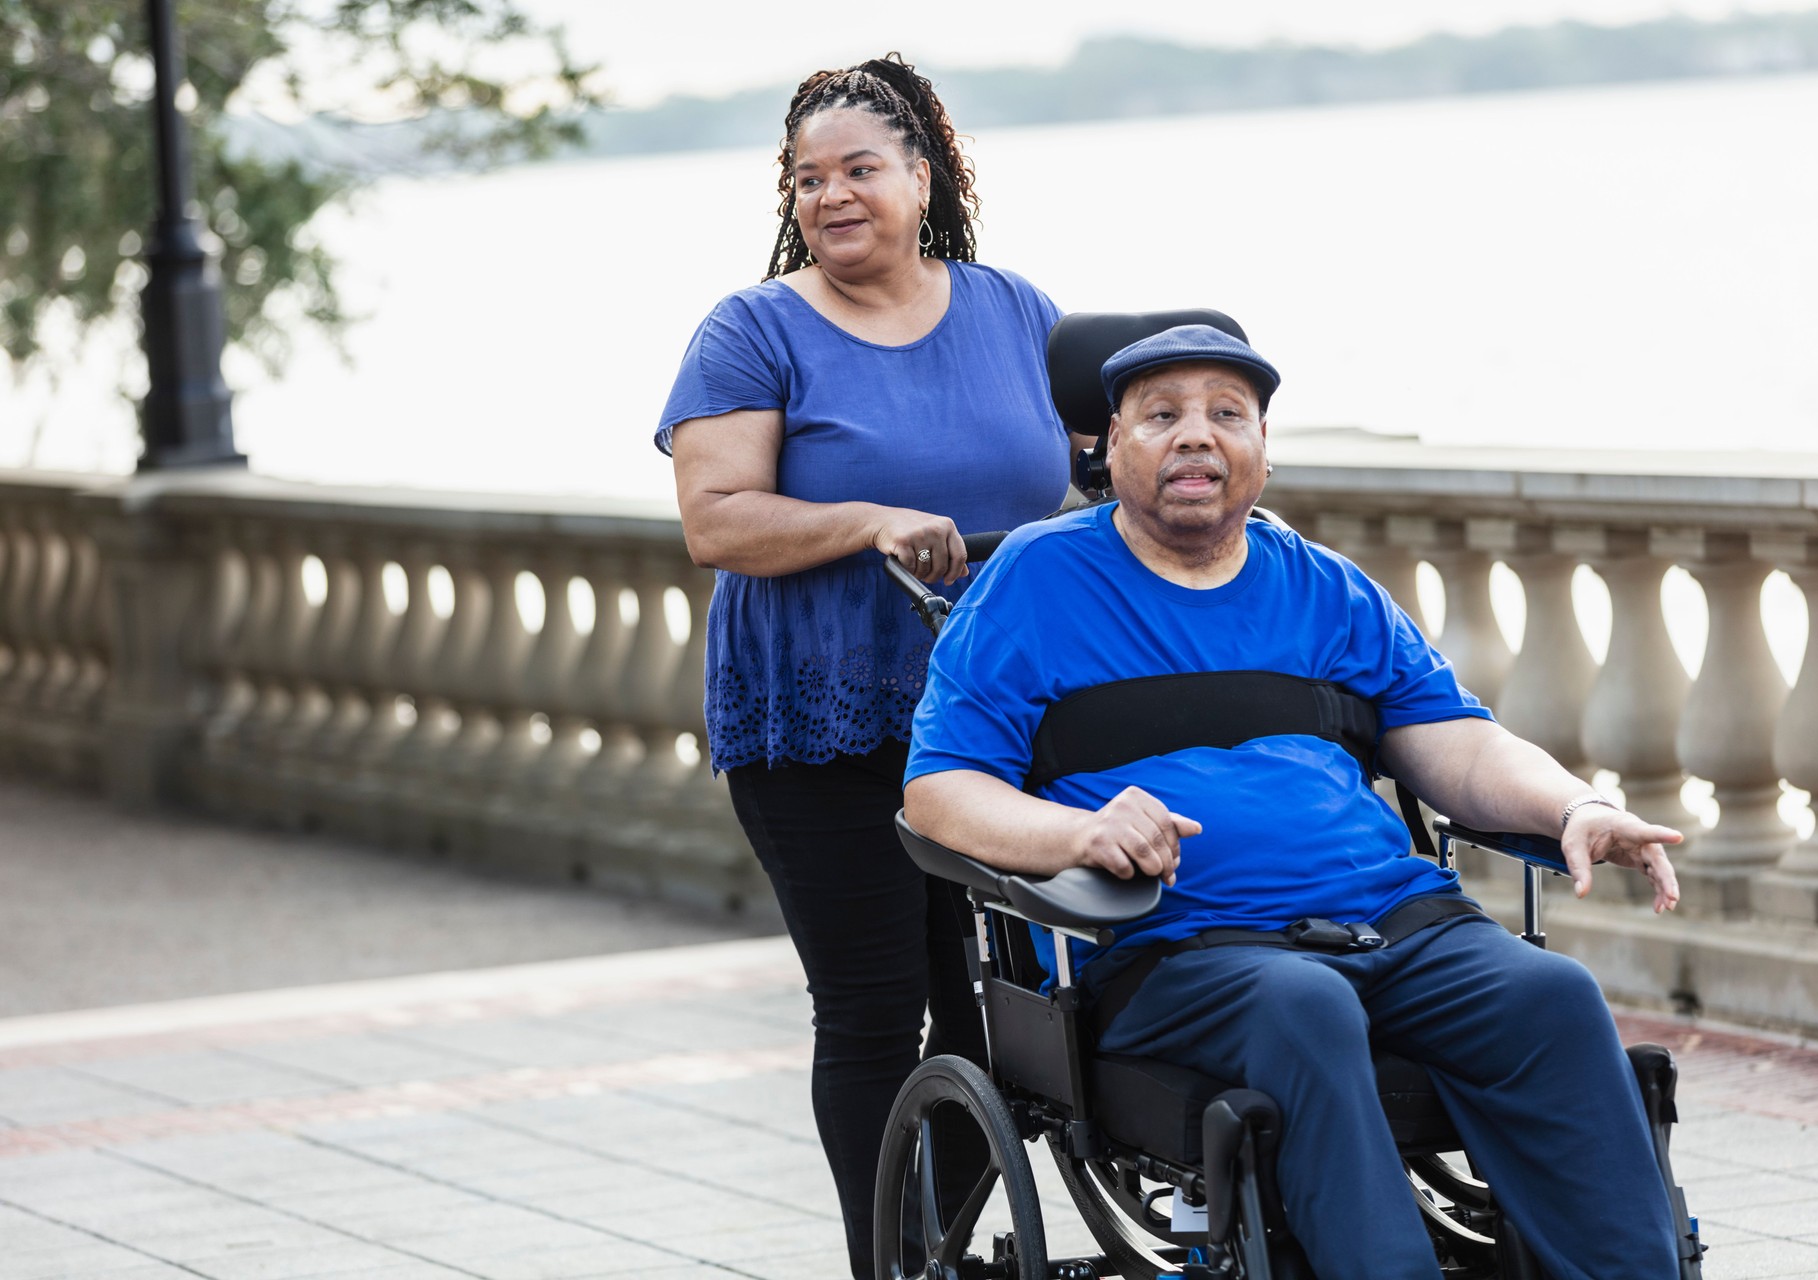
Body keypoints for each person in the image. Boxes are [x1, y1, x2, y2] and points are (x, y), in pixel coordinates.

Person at [903, 324, 1687, 1280]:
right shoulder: (1034, 581)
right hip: (1177, 950)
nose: (1198, 436)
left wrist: (1571, 808)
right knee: (1305, 1006)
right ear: (1108, 446)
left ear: (1262, 451)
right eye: (1163, 416)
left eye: (1227, 415)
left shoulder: (1326, 588)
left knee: (1552, 995)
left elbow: (1456, 742)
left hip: (1394, 926)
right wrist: (1080, 830)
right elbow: (940, 791)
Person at [654, 53, 1073, 1279]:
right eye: (807, 178)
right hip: (820, 723)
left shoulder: (1015, 311)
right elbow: (715, 519)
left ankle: (931, 1243)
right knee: (878, 1007)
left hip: (993, 720)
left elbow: (1099, 470)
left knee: (1004, 1017)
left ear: (922, 174)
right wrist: (867, 519)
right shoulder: (752, 330)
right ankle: (891, 1260)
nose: (830, 196)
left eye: (858, 169)